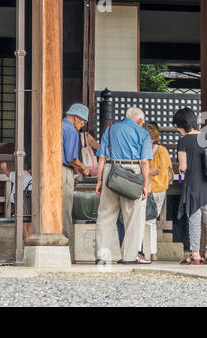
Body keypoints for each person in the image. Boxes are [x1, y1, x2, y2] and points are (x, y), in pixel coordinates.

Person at [94, 105, 152, 264]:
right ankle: (129, 257)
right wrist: (145, 184)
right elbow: (145, 162)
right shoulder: (143, 133)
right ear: (140, 120)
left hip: (110, 170)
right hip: (132, 171)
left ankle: (102, 257)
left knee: (105, 215)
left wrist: (99, 180)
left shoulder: (110, 129)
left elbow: (101, 158)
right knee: (132, 217)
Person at [173, 107, 207, 265]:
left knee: (194, 219)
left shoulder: (183, 141)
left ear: (182, 125)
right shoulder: (205, 137)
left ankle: (195, 254)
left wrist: (180, 170)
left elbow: (184, 167)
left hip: (193, 184)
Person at [138, 124, 172, 264]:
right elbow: (167, 170)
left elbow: (153, 170)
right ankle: (152, 252)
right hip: (160, 188)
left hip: (148, 188)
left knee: (145, 220)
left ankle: (147, 251)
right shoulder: (163, 151)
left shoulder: (143, 149)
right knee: (151, 221)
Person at [61, 103, 89, 257]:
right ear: (76, 117)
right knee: (65, 210)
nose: (83, 124)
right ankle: (66, 251)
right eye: (83, 121)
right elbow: (71, 158)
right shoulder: (71, 130)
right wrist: (83, 168)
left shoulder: (58, 126)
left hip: (53, 171)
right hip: (64, 173)